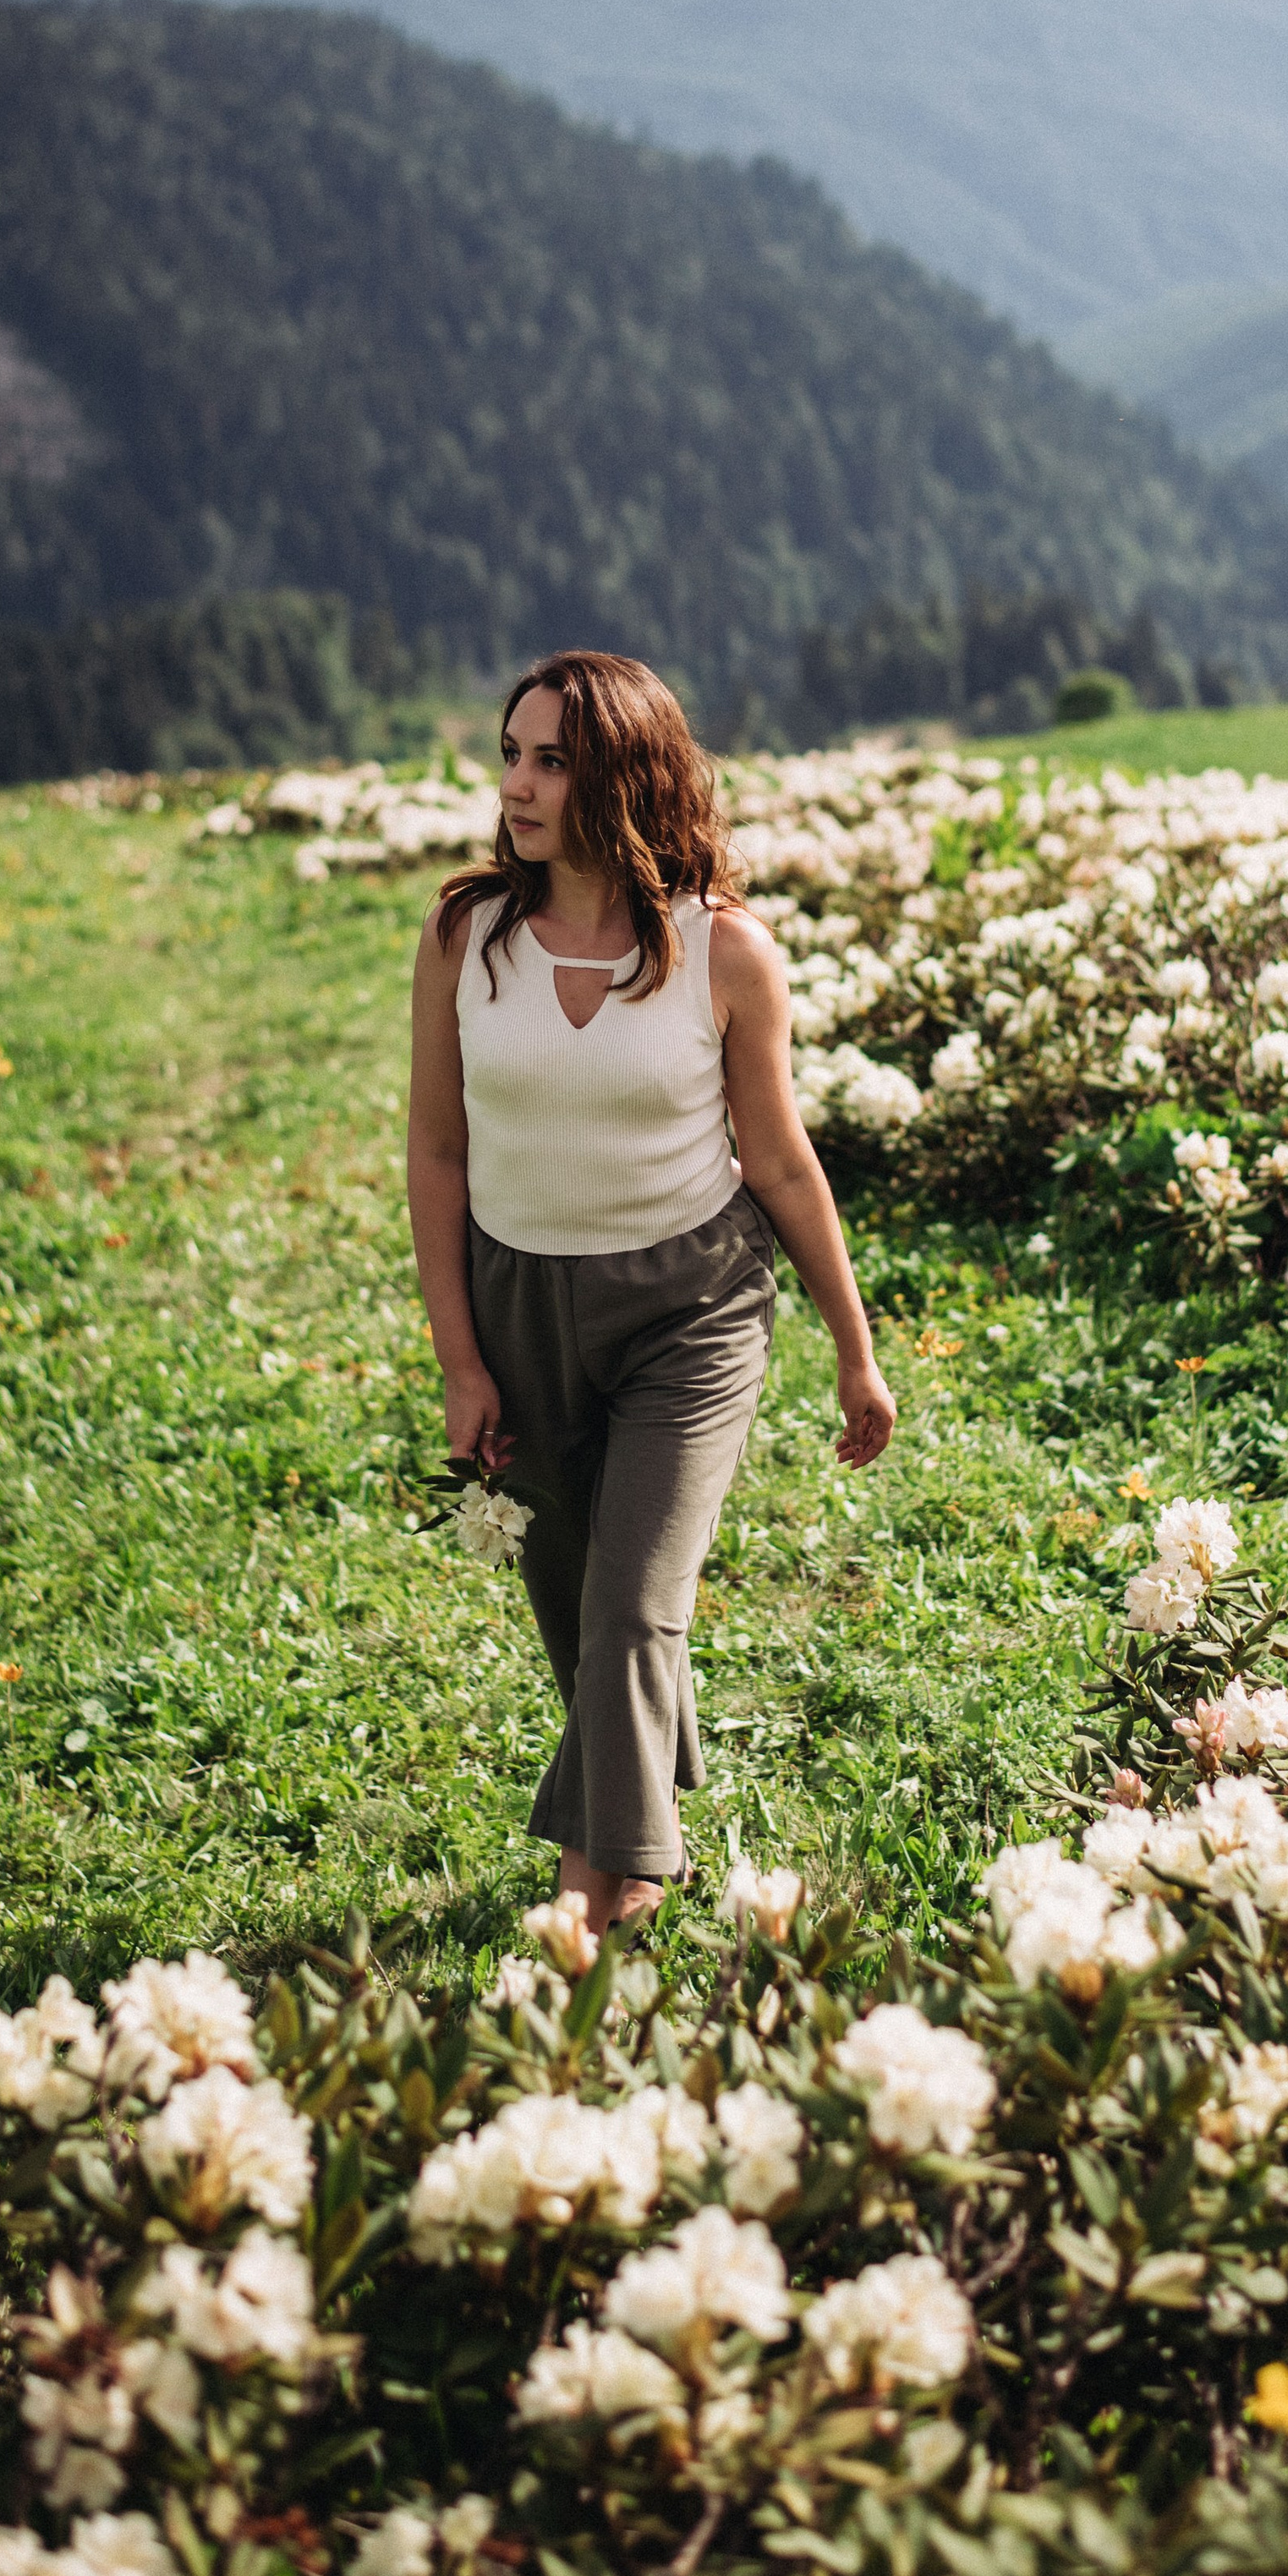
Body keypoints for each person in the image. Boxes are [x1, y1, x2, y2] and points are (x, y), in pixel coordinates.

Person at [407, 651, 896, 1937]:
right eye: (511, 753)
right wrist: (463, 1361)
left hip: (694, 1308)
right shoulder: (466, 933)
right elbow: (438, 1152)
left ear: (622, 775)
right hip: (521, 1309)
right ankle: (634, 1813)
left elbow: (781, 1161)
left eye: (551, 760)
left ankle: (595, 1898)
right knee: (578, 1611)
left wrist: (855, 1349)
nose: (516, 784)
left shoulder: (722, 952)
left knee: (635, 1603)